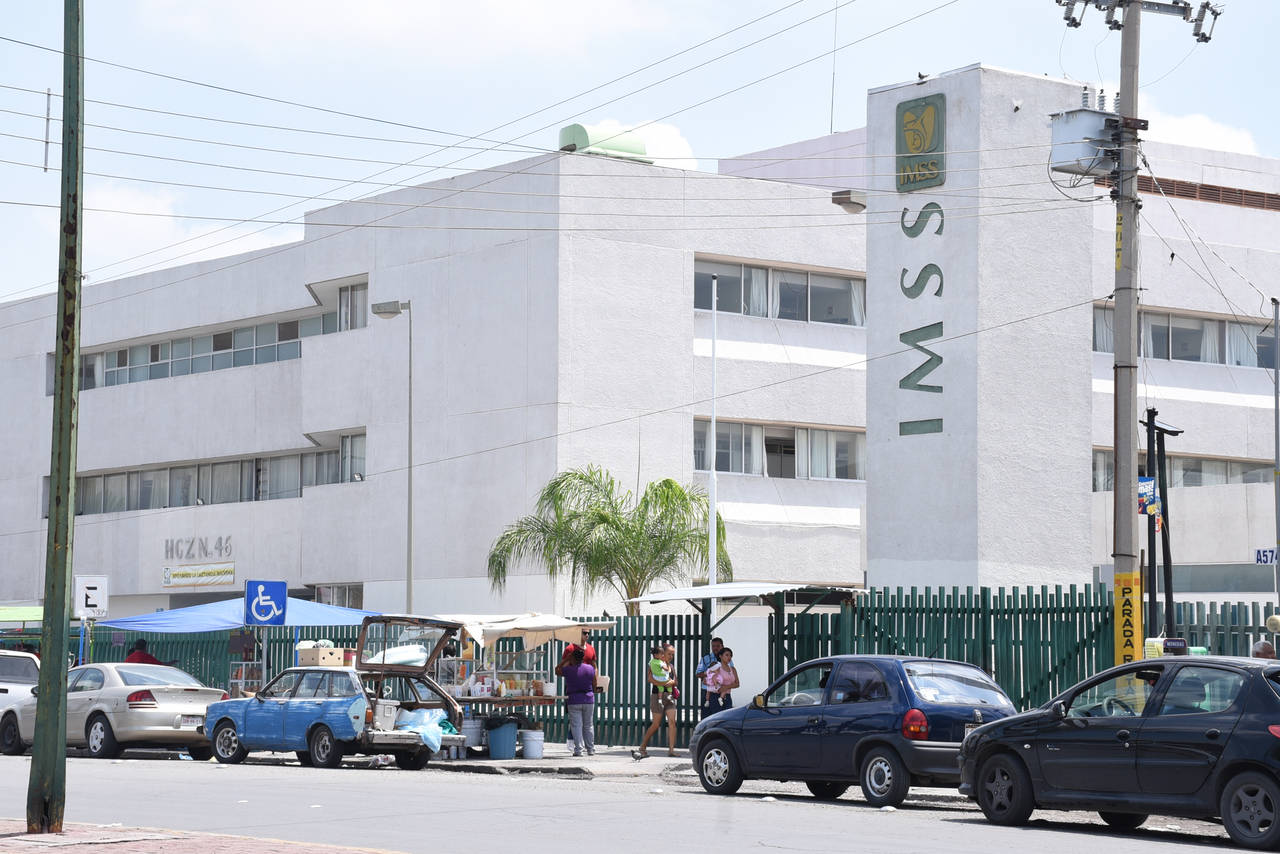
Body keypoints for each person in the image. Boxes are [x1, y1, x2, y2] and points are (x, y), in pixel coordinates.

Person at [633, 644, 677, 759]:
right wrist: (664, 683)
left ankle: (671, 750)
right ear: (662, 654)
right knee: (656, 724)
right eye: (669, 654)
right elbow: (650, 679)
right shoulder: (654, 664)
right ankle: (643, 746)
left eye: (672, 654)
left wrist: (672, 683)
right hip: (657, 696)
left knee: (672, 722)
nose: (671, 656)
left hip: (669, 696)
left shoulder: (671, 666)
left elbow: (675, 681)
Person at [561, 647, 596, 757]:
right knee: (588, 725)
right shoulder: (590, 668)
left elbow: (557, 670)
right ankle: (590, 749)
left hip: (574, 700)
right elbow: (594, 683)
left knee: (576, 726)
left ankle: (578, 750)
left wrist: (566, 659)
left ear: (573, 658)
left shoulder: (568, 670)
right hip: (589, 699)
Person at [701, 646, 739, 717]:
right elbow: (705, 681)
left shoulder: (732, 669)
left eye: (730, 655)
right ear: (720, 656)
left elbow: (737, 684)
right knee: (717, 718)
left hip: (727, 696)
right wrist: (713, 684)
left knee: (727, 717)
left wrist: (726, 687)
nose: (729, 657)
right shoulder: (716, 668)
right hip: (715, 696)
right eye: (726, 655)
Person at [695, 637, 725, 717]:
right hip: (707, 691)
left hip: (722, 691)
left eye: (718, 646)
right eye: (713, 646)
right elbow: (698, 674)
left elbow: (730, 672)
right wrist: (709, 674)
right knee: (706, 716)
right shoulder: (705, 659)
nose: (715, 648)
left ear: (722, 646)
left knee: (720, 717)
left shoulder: (727, 658)